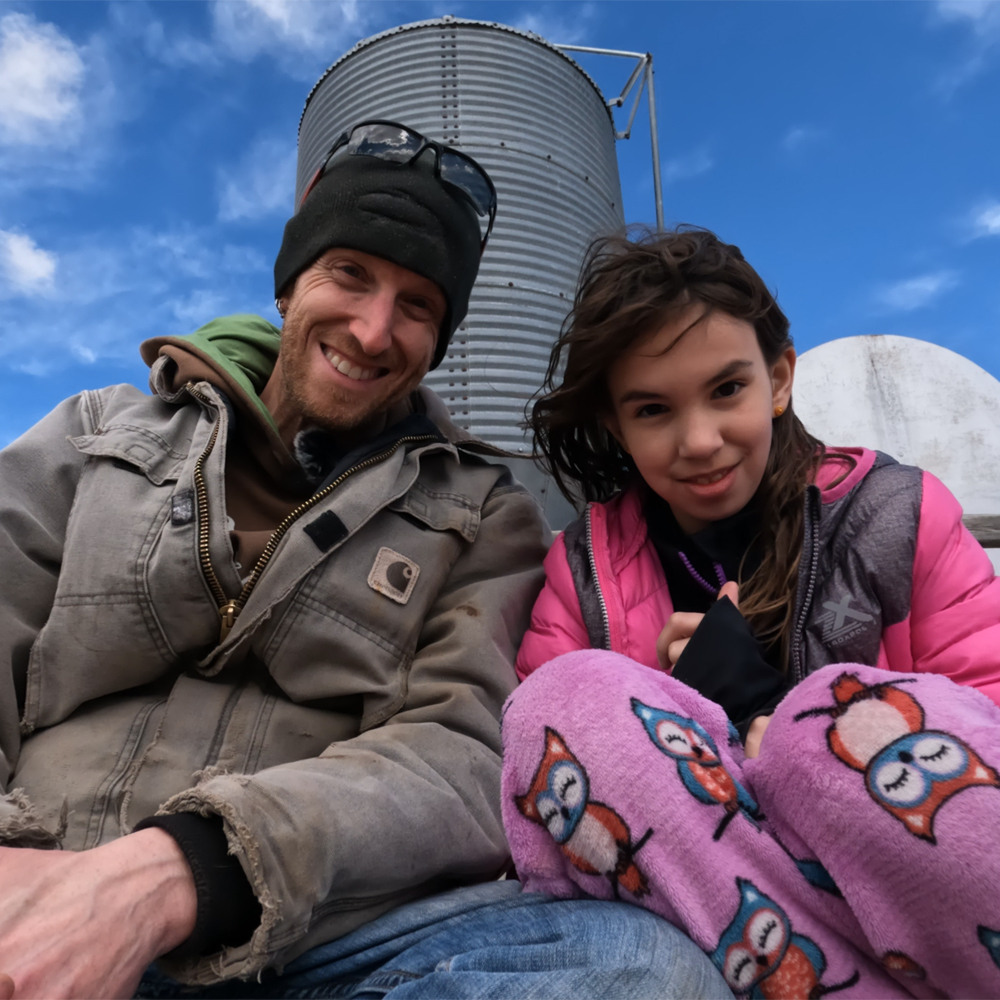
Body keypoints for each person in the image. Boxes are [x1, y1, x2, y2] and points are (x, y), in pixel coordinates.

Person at [0, 128, 729, 999]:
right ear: (291, 280)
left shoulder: (483, 513)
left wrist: (181, 873)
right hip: (27, 867)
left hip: (297, 944)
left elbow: (462, 755)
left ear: (441, 337)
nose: (374, 329)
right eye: (349, 274)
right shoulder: (97, 434)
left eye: (418, 304)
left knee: (644, 968)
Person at [501, 227, 1000, 997]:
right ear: (615, 424)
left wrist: (774, 709)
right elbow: (545, 798)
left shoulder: (900, 518)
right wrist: (678, 714)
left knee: (836, 728)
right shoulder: (582, 574)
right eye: (653, 409)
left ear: (779, 379)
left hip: (924, 900)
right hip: (722, 927)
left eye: (727, 390)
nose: (700, 441)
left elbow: (984, 740)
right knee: (559, 701)